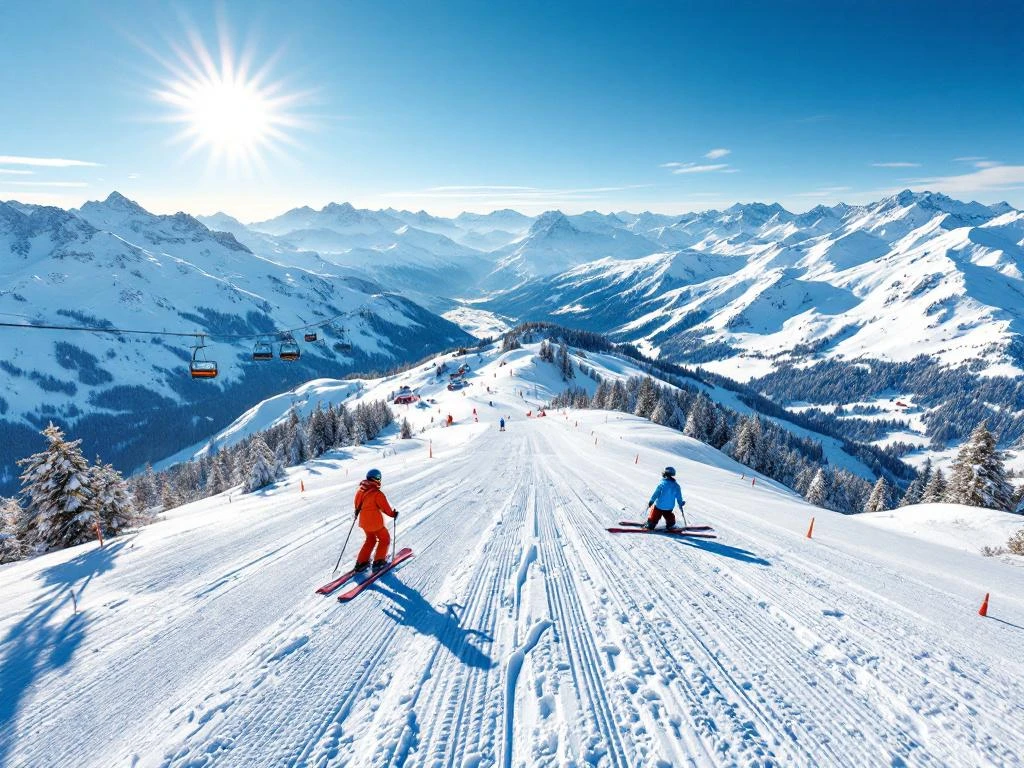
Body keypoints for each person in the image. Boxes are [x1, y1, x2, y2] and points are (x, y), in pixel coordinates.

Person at [353, 468, 398, 572]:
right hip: (375, 523)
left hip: (364, 522)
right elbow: (385, 508)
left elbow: (357, 505)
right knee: (385, 539)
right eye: (379, 478)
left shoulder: (360, 491)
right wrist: (393, 514)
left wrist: (356, 512)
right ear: (377, 479)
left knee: (370, 539)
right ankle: (379, 562)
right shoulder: (377, 493)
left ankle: (361, 562)